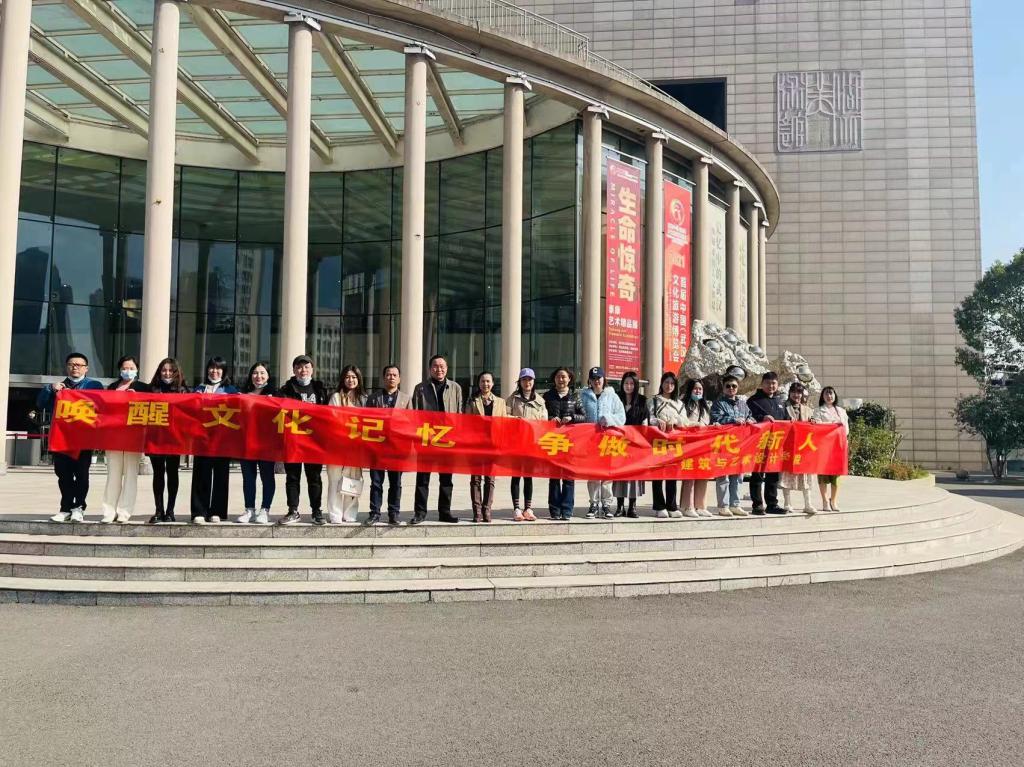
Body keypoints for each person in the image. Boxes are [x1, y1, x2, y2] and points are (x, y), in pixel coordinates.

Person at [38, 352, 104, 522]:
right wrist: (50, 389)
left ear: (86, 368)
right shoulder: (57, 387)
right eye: (72, 364)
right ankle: (65, 508)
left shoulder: (94, 385)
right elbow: (41, 403)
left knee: (81, 474)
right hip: (61, 438)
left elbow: (101, 406)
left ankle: (79, 507)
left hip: (83, 438)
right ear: (67, 367)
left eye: (79, 365)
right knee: (63, 474)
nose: (75, 367)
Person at [277, 355, 330, 525]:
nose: (303, 370)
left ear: (312, 369)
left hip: (314, 442)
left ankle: (316, 511)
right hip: (293, 441)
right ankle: (293, 510)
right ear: (294, 370)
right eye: (299, 367)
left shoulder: (320, 389)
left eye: (307, 367)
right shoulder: (286, 390)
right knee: (292, 477)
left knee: (314, 477)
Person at [411, 354, 463, 524]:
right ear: (429, 369)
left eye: (442, 366)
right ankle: (420, 512)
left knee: (446, 479)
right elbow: (415, 415)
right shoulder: (420, 388)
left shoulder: (455, 388)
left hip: (448, 440)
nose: (439, 369)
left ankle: (445, 512)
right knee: (422, 479)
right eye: (435, 366)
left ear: (446, 369)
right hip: (427, 438)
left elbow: (459, 414)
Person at [100, 355, 150, 523]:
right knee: (113, 474)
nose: (127, 371)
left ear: (137, 370)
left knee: (130, 475)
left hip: (133, 437)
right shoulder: (112, 387)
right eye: (124, 368)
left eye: (131, 368)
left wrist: (137, 397)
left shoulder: (143, 387)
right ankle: (109, 511)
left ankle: (124, 511)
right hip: (113, 435)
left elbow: (151, 407)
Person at [191, 356, 238, 524]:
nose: (214, 371)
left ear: (224, 371)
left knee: (220, 475)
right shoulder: (199, 388)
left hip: (222, 440)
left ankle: (217, 511)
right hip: (202, 439)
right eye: (211, 368)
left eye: (218, 368)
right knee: (200, 474)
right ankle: (199, 511)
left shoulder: (230, 390)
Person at [365, 364, 411, 525]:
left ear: (399, 379)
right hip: (377, 447)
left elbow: (410, 423)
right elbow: (367, 422)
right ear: (384, 378)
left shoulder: (406, 399)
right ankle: (374, 513)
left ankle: (394, 513)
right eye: (388, 375)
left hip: (397, 449)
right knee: (376, 483)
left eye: (394, 375)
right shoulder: (373, 398)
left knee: (395, 483)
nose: (391, 377)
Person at [580, 366, 626, 519]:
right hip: (590, 441)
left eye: (599, 378)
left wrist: (609, 419)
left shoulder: (612, 396)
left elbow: (621, 417)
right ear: (589, 380)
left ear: (604, 379)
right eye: (593, 379)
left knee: (607, 474)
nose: (596, 381)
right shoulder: (583, 396)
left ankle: (606, 504)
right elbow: (578, 415)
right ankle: (593, 504)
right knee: (593, 474)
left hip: (608, 440)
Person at [148, 357, 188, 523]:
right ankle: (159, 510)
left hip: (174, 438)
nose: (167, 373)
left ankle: (170, 511)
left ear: (176, 372)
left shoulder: (183, 390)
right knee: (158, 474)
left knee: (172, 473)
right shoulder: (151, 389)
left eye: (171, 370)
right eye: (164, 370)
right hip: (155, 437)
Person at [236, 362, 276, 525]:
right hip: (246, 441)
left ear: (268, 376)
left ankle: (265, 509)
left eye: (262, 373)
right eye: (255, 373)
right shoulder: (242, 394)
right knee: (248, 477)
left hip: (267, 443)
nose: (258, 376)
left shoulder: (275, 394)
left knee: (267, 477)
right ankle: (249, 509)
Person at [542, 367, 585, 520]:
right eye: (558, 377)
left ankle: (567, 510)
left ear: (569, 379)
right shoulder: (547, 396)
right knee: (554, 477)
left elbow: (584, 416)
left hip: (569, 441)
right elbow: (542, 415)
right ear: (554, 379)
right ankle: (554, 510)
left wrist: (572, 417)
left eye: (564, 377)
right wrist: (550, 418)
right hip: (553, 441)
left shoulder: (575, 396)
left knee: (568, 477)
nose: (561, 379)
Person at [710, 374, 755, 518]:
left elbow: (750, 416)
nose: (731, 388)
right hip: (724, 445)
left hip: (740, 445)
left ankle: (735, 504)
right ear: (723, 388)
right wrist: (733, 419)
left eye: (734, 386)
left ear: (738, 387)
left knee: (738, 475)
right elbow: (716, 418)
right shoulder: (718, 403)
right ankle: (723, 506)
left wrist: (750, 421)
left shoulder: (742, 404)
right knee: (724, 476)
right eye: (728, 386)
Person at [327, 365, 367, 524]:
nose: (351, 380)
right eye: (348, 377)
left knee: (354, 480)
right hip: (337, 446)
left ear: (359, 379)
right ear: (343, 379)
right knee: (335, 480)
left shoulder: (364, 399)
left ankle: (350, 513)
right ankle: (335, 514)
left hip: (356, 447)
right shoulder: (336, 397)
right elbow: (333, 419)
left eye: (354, 377)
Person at [465, 371, 506, 523]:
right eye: (482, 381)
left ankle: (487, 509)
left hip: (493, 445)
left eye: (488, 381)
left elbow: (504, 423)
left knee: (490, 480)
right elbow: (466, 422)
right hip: (476, 445)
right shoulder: (472, 401)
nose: (485, 384)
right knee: (475, 479)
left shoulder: (500, 402)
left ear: (493, 383)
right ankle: (477, 511)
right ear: (479, 383)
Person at [746, 371, 790, 515]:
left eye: (773, 383)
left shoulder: (780, 402)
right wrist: (762, 418)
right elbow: (748, 417)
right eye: (768, 383)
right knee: (757, 474)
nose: (771, 386)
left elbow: (786, 420)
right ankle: (757, 505)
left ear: (777, 385)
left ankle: (772, 504)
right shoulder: (753, 401)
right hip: (759, 443)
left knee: (774, 475)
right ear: (762, 384)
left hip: (776, 444)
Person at [506, 368, 546, 521]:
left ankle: (528, 508)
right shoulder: (512, 399)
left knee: (528, 476)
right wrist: (516, 420)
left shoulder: (540, 401)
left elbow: (544, 422)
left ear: (533, 381)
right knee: (516, 476)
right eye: (524, 379)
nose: (527, 382)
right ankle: (516, 508)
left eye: (529, 379)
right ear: (520, 382)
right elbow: (504, 416)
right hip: (516, 443)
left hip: (531, 444)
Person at [648, 372, 687, 518]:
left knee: (672, 474)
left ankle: (672, 506)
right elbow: (648, 418)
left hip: (674, 443)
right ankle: (659, 506)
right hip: (658, 442)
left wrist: (675, 421)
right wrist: (657, 421)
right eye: (666, 382)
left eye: (672, 383)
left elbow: (685, 421)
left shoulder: (680, 404)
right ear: (661, 383)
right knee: (658, 475)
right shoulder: (654, 400)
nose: (669, 386)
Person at [612, 371, 646, 518]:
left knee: (634, 475)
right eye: (626, 383)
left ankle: (632, 506)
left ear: (636, 385)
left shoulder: (642, 401)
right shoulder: (616, 399)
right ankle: (620, 506)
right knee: (619, 475)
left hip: (635, 444)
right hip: (618, 443)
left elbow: (645, 421)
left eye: (632, 383)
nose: (628, 386)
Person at [811, 385, 850, 512]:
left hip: (838, 446)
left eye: (831, 393)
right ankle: (824, 500)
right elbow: (817, 426)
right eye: (826, 394)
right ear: (822, 396)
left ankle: (833, 500)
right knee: (823, 474)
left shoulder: (841, 411)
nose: (829, 396)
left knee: (836, 474)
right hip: (823, 446)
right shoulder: (818, 411)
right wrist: (833, 425)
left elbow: (846, 429)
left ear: (835, 395)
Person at [780, 382, 816, 515]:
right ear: (789, 393)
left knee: (806, 475)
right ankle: (787, 503)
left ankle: (808, 504)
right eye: (794, 392)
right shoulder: (783, 407)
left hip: (803, 447)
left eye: (799, 392)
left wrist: (813, 422)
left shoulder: (808, 409)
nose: (796, 395)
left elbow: (813, 426)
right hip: (788, 446)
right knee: (786, 474)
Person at [679, 378, 713, 518]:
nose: (698, 391)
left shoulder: (705, 406)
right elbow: (681, 422)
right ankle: (687, 506)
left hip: (704, 444)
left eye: (700, 389)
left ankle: (701, 506)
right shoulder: (683, 404)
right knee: (690, 476)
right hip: (690, 445)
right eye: (695, 388)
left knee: (703, 475)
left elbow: (708, 423)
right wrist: (694, 425)